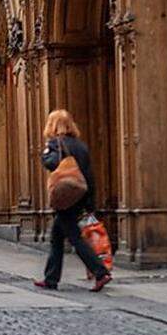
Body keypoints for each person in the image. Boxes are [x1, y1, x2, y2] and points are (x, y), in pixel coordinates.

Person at [35, 109, 112, 293]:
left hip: (65, 198)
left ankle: (100, 272)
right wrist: (90, 202)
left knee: (75, 238)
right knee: (57, 237)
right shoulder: (81, 146)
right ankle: (50, 278)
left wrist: (45, 153)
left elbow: (51, 163)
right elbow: (89, 176)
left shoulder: (56, 144)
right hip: (79, 195)